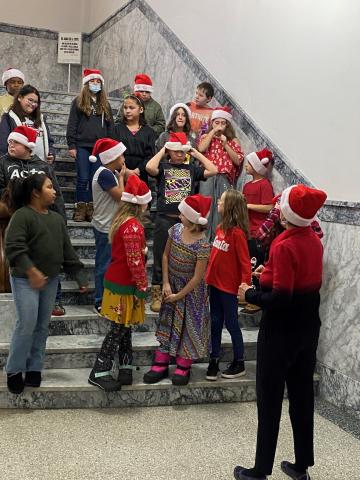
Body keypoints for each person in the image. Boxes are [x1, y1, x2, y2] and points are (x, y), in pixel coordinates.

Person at [234, 184, 327, 480]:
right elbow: (295, 281)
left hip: (280, 331)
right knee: (302, 397)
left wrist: (249, 294)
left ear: (286, 213)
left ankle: (260, 471)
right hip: (308, 326)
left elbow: (281, 298)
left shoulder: (284, 244)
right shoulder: (313, 239)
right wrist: (266, 277)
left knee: (270, 398)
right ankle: (301, 466)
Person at [4, 173, 88, 395]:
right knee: (27, 323)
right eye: (50, 187)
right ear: (35, 192)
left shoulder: (56, 219)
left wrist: (78, 275)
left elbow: (67, 251)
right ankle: (14, 369)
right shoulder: (22, 216)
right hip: (24, 279)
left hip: (50, 280)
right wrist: (31, 271)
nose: (55, 191)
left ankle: (34, 368)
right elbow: (13, 247)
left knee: (42, 326)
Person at [88, 175, 151, 391]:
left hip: (117, 280)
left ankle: (125, 365)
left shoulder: (121, 221)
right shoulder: (133, 227)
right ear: (141, 203)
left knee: (125, 325)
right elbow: (134, 261)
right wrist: (143, 286)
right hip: (125, 283)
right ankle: (99, 370)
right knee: (118, 328)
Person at [143, 194, 212, 386]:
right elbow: (165, 256)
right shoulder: (174, 230)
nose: (179, 216)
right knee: (168, 322)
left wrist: (179, 295)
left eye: (182, 214)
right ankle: (162, 359)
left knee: (188, 327)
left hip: (191, 293)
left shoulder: (203, 244)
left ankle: (184, 363)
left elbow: (198, 277)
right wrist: (166, 284)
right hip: (171, 286)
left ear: (192, 218)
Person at [146, 132, 217, 312]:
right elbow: (149, 167)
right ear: (170, 151)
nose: (179, 154)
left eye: (181, 151)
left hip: (186, 223)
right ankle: (157, 290)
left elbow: (213, 170)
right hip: (164, 219)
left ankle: (178, 290)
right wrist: (164, 149)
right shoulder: (163, 167)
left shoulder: (191, 169)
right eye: (176, 151)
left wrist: (195, 152)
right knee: (161, 253)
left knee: (182, 257)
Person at [0, 125, 67, 315]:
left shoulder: (43, 167)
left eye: (15, 142)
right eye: (9, 141)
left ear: (28, 146)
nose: (10, 144)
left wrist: (61, 222)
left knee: (49, 258)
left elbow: (57, 194)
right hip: (15, 221)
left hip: (43, 222)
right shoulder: (2, 163)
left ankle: (55, 299)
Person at [205, 190, 252, 380]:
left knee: (232, 324)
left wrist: (245, 288)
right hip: (214, 286)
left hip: (229, 290)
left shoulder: (238, 234)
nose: (218, 202)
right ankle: (214, 359)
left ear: (230, 207)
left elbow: (245, 263)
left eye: (221, 200)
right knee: (215, 323)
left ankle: (239, 362)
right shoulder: (219, 228)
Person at [66, 68, 114, 222]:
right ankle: (80, 208)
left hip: (99, 148)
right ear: (87, 83)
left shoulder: (105, 104)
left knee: (95, 179)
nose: (95, 83)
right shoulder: (78, 102)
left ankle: (92, 208)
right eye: (93, 81)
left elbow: (110, 127)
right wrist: (71, 145)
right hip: (82, 146)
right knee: (83, 178)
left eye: (98, 81)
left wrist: (110, 147)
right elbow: (72, 124)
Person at [89, 138, 128, 315]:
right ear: (113, 157)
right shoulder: (105, 173)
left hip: (110, 225)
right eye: (121, 155)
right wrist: (121, 178)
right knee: (104, 265)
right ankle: (100, 301)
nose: (123, 158)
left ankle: (107, 298)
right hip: (105, 226)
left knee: (110, 265)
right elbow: (120, 197)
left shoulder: (107, 173)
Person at [198, 107, 244, 241]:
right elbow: (201, 149)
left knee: (222, 208)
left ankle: (218, 239)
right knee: (206, 206)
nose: (219, 126)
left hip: (225, 176)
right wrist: (212, 133)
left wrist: (226, 145)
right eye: (216, 122)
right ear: (212, 123)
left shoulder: (233, 140)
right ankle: (204, 239)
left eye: (222, 123)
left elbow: (238, 160)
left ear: (227, 125)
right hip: (208, 175)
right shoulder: (206, 137)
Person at [242, 149, 274, 313]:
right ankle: (246, 293)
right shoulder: (247, 185)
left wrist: (247, 206)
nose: (246, 166)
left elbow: (269, 206)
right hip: (246, 231)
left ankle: (256, 296)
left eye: (249, 164)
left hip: (259, 232)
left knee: (257, 263)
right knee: (247, 262)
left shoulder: (264, 185)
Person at [0, 84, 56, 163]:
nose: (33, 104)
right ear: (20, 98)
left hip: (42, 166)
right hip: (19, 167)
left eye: (36, 102)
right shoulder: (8, 117)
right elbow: (3, 145)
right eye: (30, 100)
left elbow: (49, 142)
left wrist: (52, 154)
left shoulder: (41, 119)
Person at [112, 93, 156, 186]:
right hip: (121, 174)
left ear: (141, 109)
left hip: (141, 174)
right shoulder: (116, 129)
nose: (127, 111)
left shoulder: (149, 132)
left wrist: (137, 170)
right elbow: (115, 153)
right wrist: (126, 171)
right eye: (125, 107)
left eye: (131, 108)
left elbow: (150, 156)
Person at [115, 74, 165, 139]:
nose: (144, 94)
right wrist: (127, 131)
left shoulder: (156, 107)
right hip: (126, 139)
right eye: (141, 91)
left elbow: (161, 126)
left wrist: (147, 132)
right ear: (136, 91)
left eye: (147, 92)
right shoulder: (127, 103)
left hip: (147, 141)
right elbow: (118, 121)